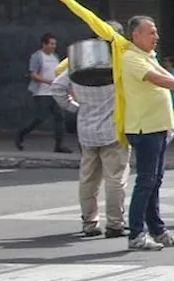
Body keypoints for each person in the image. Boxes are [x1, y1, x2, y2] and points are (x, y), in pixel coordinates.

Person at [122, 16, 174, 251]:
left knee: (155, 181)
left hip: (159, 127)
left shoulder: (148, 56)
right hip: (144, 127)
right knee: (146, 181)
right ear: (135, 35)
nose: (156, 37)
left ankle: (157, 230)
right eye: (150, 32)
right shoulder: (130, 58)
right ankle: (136, 233)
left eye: (156, 32)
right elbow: (158, 79)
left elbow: (166, 76)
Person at [50, 21, 128, 238]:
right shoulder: (120, 61)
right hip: (114, 130)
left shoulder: (81, 63)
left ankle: (89, 223)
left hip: (86, 130)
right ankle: (115, 223)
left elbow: (57, 87)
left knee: (88, 179)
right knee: (115, 179)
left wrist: (75, 108)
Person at [16, 32, 69, 153]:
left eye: (54, 44)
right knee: (39, 118)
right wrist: (48, 82)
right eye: (51, 44)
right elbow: (33, 74)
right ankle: (21, 134)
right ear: (44, 44)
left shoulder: (55, 57)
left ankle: (59, 145)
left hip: (55, 93)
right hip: (41, 93)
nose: (53, 46)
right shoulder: (37, 56)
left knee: (60, 117)